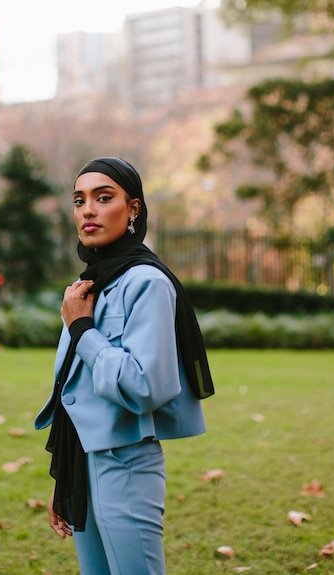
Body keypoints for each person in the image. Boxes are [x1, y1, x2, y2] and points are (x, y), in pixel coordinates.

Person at [35, 157, 214, 575]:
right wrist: (67, 477)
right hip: (84, 459)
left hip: (126, 462)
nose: (88, 210)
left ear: (134, 209)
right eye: (79, 200)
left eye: (104, 197)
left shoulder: (147, 283)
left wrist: (82, 328)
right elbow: (75, 389)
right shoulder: (91, 283)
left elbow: (145, 385)